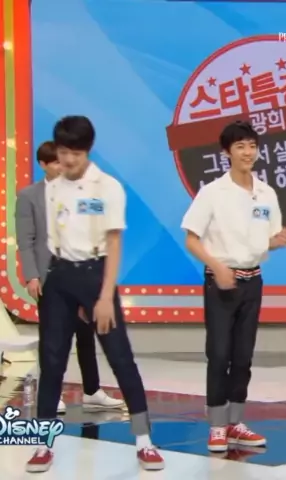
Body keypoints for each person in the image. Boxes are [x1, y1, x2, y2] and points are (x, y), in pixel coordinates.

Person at [25, 116, 164, 473]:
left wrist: (104, 297)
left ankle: (144, 440)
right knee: (51, 361)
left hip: (95, 275)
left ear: (87, 151)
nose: (68, 160)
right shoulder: (53, 188)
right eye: (63, 152)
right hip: (59, 277)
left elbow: (114, 243)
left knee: (120, 358)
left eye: (75, 152)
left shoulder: (107, 187)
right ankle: (43, 444)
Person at [181, 121, 286, 453]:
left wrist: (276, 241)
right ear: (226, 152)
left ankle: (236, 422)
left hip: (252, 281)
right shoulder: (213, 192)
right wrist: (217, 266)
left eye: (252, 146)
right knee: (219, 354)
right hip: (220, 282)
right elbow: (191, 239)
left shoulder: (266, 193)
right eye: (240, 146)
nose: (247, 152)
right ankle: (217, 425)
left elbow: (267, 238)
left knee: (243, 356)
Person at [16, 140, 124, 415]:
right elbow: (26, 241)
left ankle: (92, 391)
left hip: (80, 274)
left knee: (86, 334)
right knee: (53, 339)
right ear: (43, 165)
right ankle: (52, 394)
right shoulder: (29, 196)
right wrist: (32, 276)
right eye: (55, 162)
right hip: (50, 277)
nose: (62, 165)